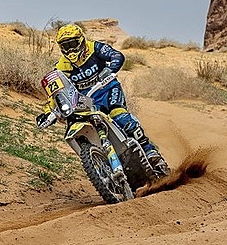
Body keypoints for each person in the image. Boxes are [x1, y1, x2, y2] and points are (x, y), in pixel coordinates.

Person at [36, 23, 165, 166]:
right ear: (61, 48)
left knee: (118, 115)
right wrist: (48, 113)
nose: (71, 49)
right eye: (66, 46)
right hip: (88, 100)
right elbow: (55, 94)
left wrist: (110, 69)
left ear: (81, 40)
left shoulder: (94, 47)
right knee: (86, 124)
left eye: (73, 43)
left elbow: (116, 55)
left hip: (108, 89)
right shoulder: (61, 66)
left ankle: (150, 151)